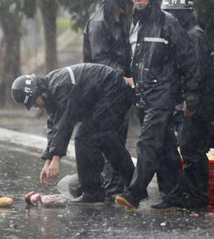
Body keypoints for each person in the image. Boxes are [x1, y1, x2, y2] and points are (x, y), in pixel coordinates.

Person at [115, 0, 200, 211]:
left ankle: (135, 192)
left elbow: (188, 59)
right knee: (164, 145)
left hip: (163, 94)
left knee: (147, 143)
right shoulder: (135, 24)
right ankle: (174, 195)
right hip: (143, 95)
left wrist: (191, 93)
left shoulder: (167, 23)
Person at [11, 63, 135, 203]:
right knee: (107, 141)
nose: (36, 106)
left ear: (39, 92)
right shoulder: (50, 90)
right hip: (107, 94)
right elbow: (54, 127)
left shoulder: (60, 87)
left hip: (114, 91)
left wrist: (56, 158)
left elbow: (65, 122)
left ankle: (93, 193)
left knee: (85, 139)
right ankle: (135, 185)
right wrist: (48, 160)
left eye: (34, 102)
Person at [161, 0, 214, 209]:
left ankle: (198, 198)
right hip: (191, 102)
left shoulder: (194, 36)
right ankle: (190, 195)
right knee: (188, 148)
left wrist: (190, 98)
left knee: (192, 150)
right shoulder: (184, 34)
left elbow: (198, 72)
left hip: (198, 104)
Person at [83, 0, 133, 198]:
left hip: (120, 89)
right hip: (104, 88)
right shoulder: (99, 22)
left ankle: (117, 184)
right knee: (109, 138)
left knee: (119, 136)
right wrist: (124, 76)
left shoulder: (120, 18)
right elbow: (100, 59)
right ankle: (112, 188)